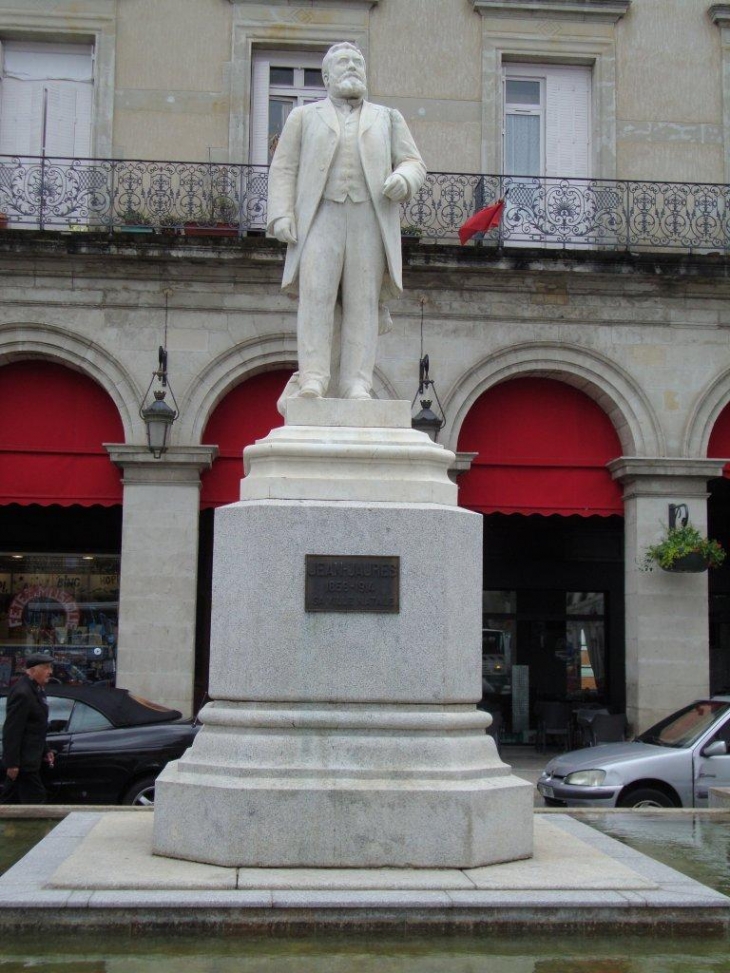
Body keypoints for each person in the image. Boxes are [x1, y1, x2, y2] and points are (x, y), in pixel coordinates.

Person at [267, 41, 426, 402]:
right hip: (321, 215)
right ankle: (314, 379)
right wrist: (280, 213)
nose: (352, 66)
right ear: (326, 75)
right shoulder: (304, 117)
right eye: (343, 62)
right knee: (316, 297)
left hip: (369, 218)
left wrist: (404, 178)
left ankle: (357, 383)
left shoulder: (388, 117)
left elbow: (414, 162)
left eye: (358, 62)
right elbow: (284, 167)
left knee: (363, 302)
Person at [1, 653, 55, 804]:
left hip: (30, 760)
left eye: (50, 667)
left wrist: (46, 749)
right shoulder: (22, 693)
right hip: (24, 762)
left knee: (11, 800)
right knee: (36, 800)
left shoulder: (36, 689)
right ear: (32, 670)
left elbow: (37, 726)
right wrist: (12, 764)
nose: (50, 672)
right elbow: (12, 730)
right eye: (45, 668)